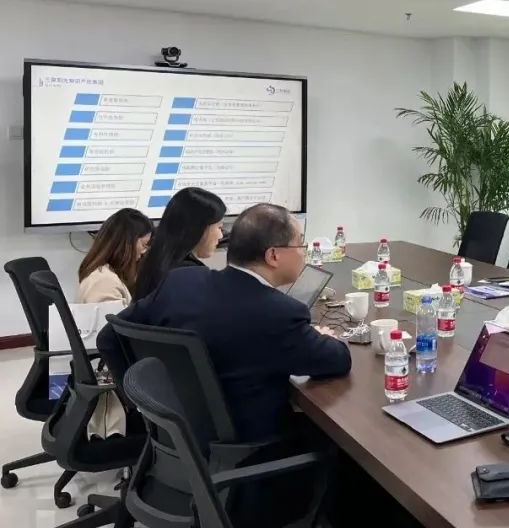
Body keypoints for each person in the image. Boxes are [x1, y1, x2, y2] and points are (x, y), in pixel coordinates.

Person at [99, 202, 349, 441]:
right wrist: (323, 337)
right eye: (300, 244)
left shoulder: (180, 282)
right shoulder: (279, 313)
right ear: (273, 255)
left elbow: (109, 337)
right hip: (251, 450)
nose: (303, 252)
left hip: (179, 442)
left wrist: (141, 405)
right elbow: (337, 360)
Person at [132, 187, 226, 300]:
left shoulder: (152, 261)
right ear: (199, 228)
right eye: (219, 227)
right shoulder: (191, 275)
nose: (221, 236)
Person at [77, 208, 154, 305]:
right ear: (126, 243)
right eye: (143, 244)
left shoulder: (103, 275)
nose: (144, 251)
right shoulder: (105, 281)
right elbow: (107, 315)